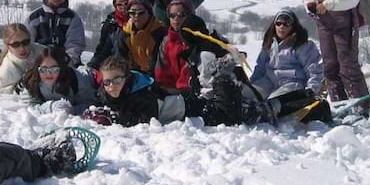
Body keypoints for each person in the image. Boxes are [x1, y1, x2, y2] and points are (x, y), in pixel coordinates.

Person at [83, 55, 258, 127]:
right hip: (182, 102)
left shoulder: (141, 95)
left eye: (117, 80)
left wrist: (116, 119)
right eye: (107, 82)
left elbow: (145, 120)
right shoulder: (106, 91)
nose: (111, 86)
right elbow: (99, 102)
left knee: (225, 116)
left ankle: (224, 78)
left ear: (127, 78)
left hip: (188, 108)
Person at [250, 8, 324, 99]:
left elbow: (314, 69)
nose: (282, 27)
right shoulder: (270, 44)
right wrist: (252, 84)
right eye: (279, 23)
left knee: (273, 104)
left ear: (293, 26)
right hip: (269, 81)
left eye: (287, 24)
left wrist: (311, 90)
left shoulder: (302, 45)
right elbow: (260, 67)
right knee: (247, 96)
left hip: (292, 83)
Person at [16, 45, 99, 115]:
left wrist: (72, 110)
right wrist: (49, 107)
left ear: (61, 68)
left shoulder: (76, 79)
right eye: (43, 69)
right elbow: (29, 107)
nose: (48, 74)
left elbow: (91, 103)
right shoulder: (31, 81)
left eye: (54, 69)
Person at [26, 0, 85, 67]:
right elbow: (28, 42)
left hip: (65, 63)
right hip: (39, 62)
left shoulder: (72, 18)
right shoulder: (35, 17)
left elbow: (75, 44)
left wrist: (67, 63)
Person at [115, 0, 166, 75]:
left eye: (141, 13)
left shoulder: (160, 32)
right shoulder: (125, 33)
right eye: (132, 13)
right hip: (132, 75)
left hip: (155, 77)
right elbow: (120, 61)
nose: (136, 16)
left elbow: (159, 64)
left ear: (149, 13)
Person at [87, 0, 135, 70]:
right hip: (112, 67)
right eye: (119, 4)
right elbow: (103, 48)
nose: (123, 7)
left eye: (127, 3)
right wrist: (93, 65)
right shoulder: (111, 23)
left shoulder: (139, 20)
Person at [154, 0, 196, 94]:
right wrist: (162, 89)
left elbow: (188, 73)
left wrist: (179, 92)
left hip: (189, 93)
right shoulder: (167, 40)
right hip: (169, 90)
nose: (176, 19)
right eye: (172, 15)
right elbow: (161, 70)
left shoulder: (194, 40)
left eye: (181, 15)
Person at [0, 23, 46, 93]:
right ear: (8, 46)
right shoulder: (6, 71)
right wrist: (20, 88)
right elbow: (2, 92)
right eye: (16, 44)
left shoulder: (43, 52)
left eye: (25, 42)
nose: (22, 48)